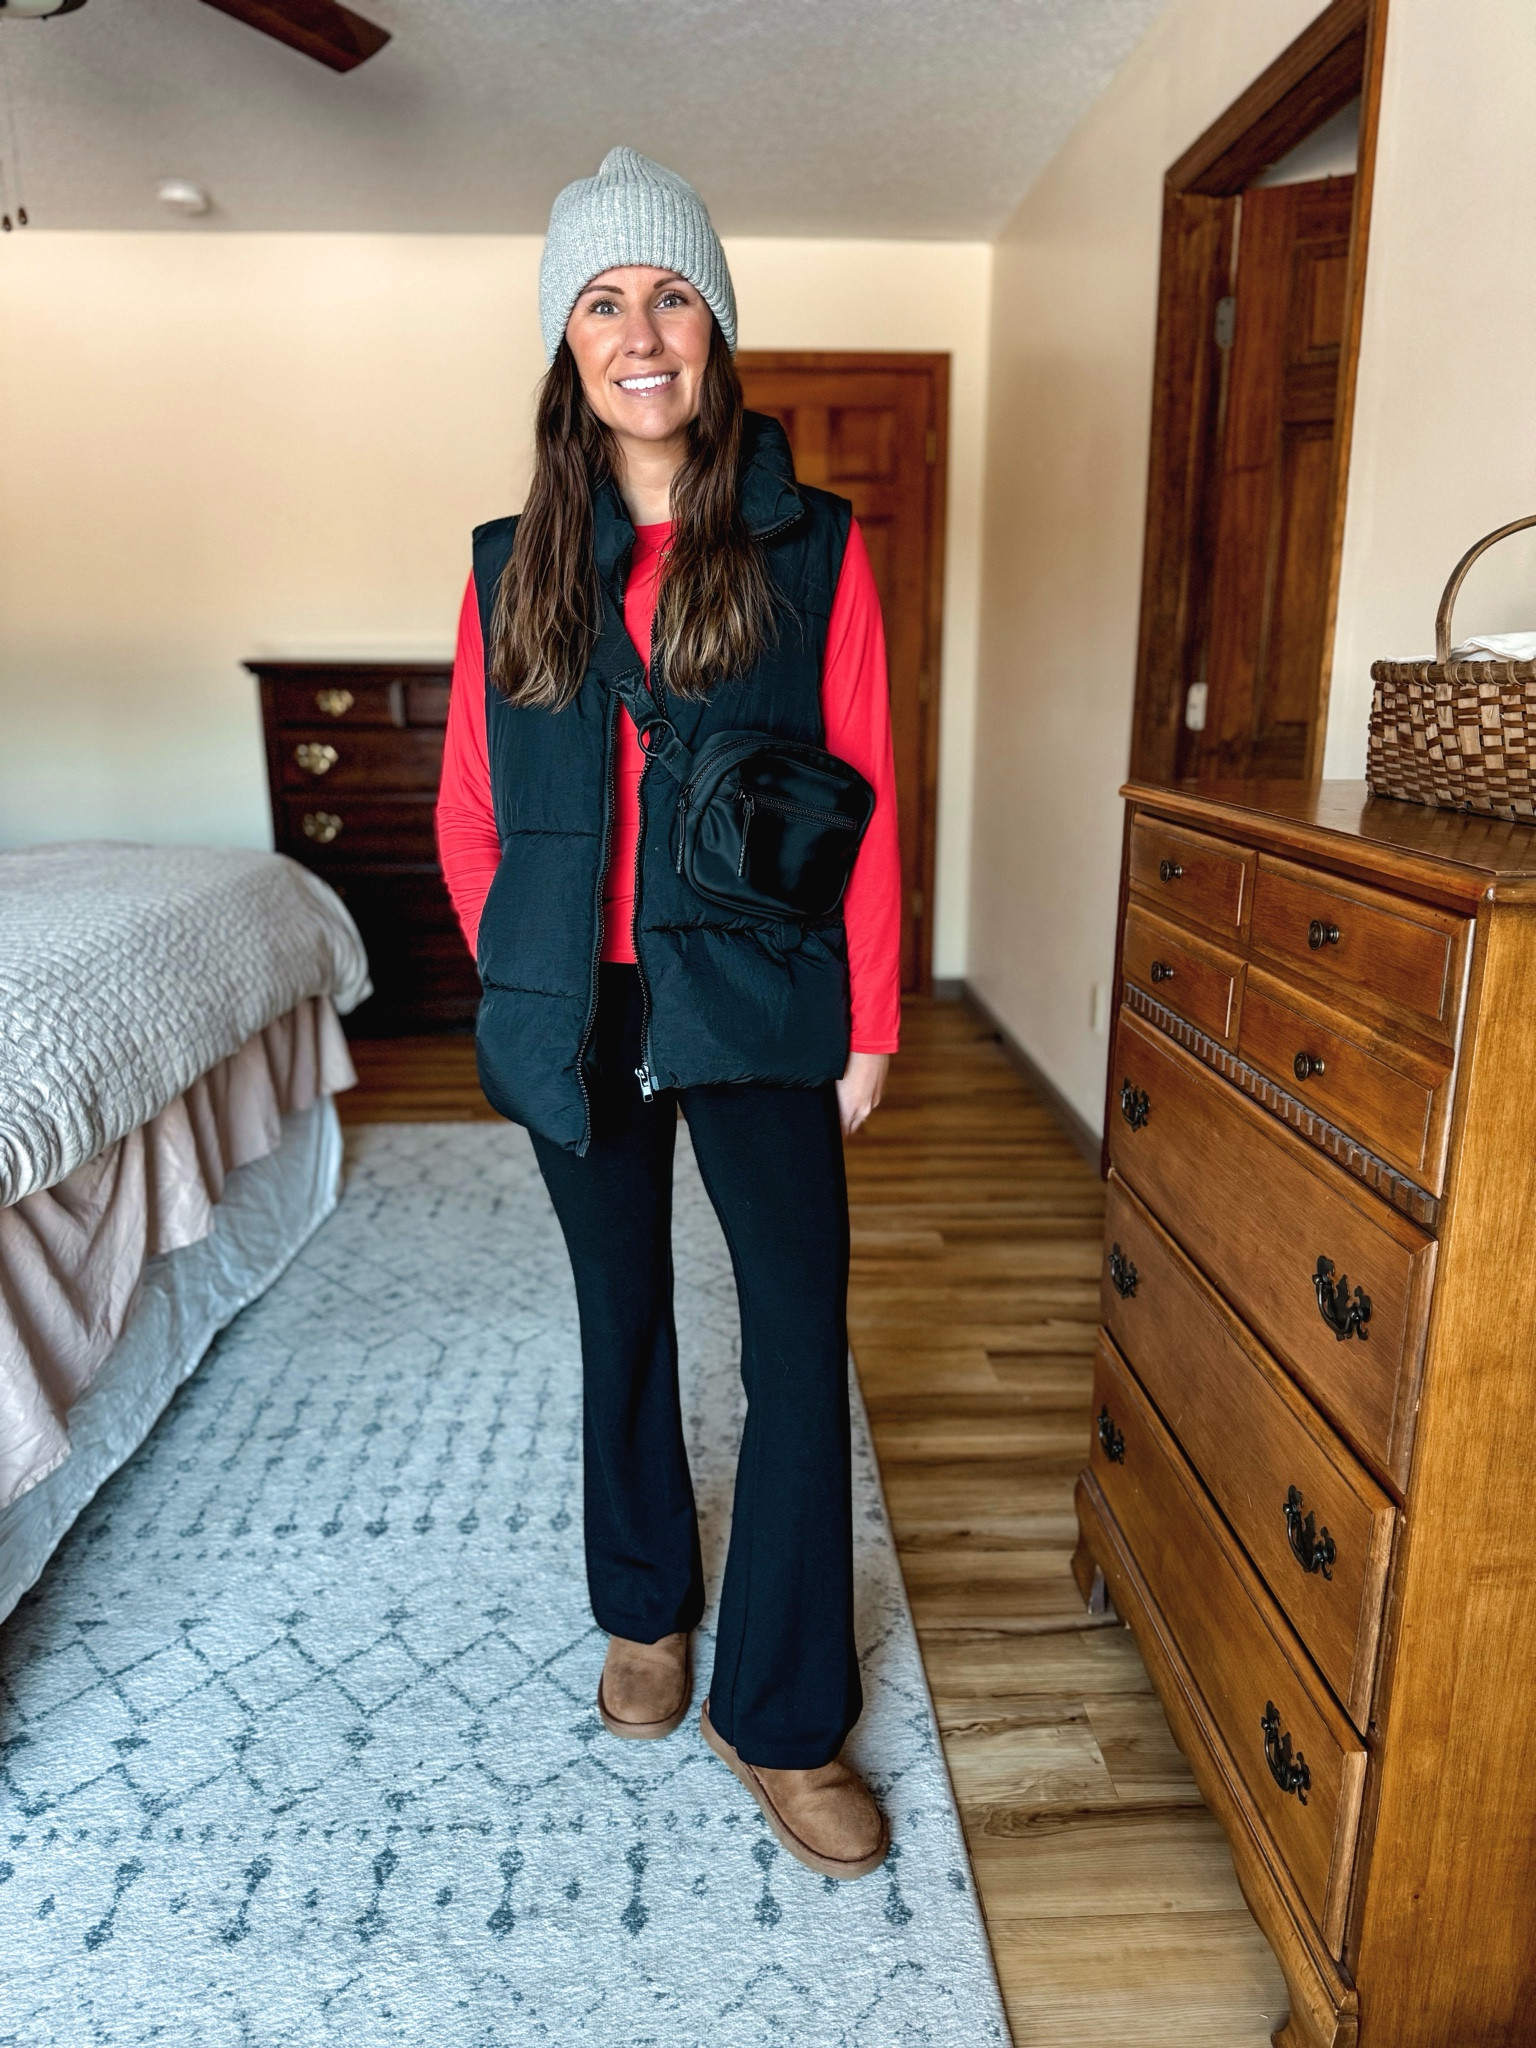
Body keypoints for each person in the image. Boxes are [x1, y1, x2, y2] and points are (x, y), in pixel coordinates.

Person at [435, 147, 902, 1883]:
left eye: (673, 295)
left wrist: (869, 1025)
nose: (641, 334)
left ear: (717, 328)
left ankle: (781, 1711)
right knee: (619, 1308)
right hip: (580, 998)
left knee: (794, 1336)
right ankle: (645, 1607)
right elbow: (470, 810)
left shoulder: (813, 545)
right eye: (604, 302)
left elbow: (865, 789)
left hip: (761, 986)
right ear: (568, 345)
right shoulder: (511, 567)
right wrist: (524, 964)